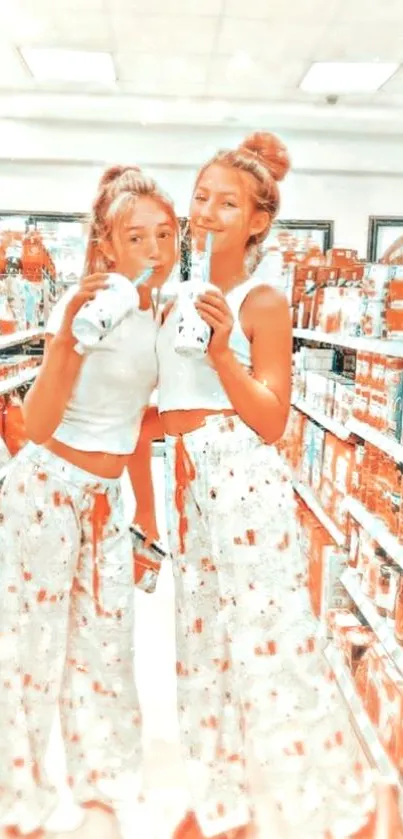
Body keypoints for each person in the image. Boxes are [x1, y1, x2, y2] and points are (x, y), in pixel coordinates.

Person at [152, 133, 386, 839]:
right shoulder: (175, 294)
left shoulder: (262, 301)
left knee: (271, 648)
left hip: (241, 478)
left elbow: (270, 419)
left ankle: (330, 809)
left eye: (229, 202)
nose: (208, 211)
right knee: (200, 643)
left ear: (258, 220)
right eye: (200, 196)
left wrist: (223, 353)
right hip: (188, 479)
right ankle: (221, 800)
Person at [0, 165, 177, 839]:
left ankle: (99, 791)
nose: (156, 252)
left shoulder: (164, 316)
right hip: (44, 494)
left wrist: (149, 523)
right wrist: (66, 339)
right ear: (108, 245)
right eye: (139, 238)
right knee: (29, 647)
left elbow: (134, 425)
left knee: (105, 646)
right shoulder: (76, 305)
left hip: (105, 505)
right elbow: (39, 424)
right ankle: (18, 800)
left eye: (167, 234)